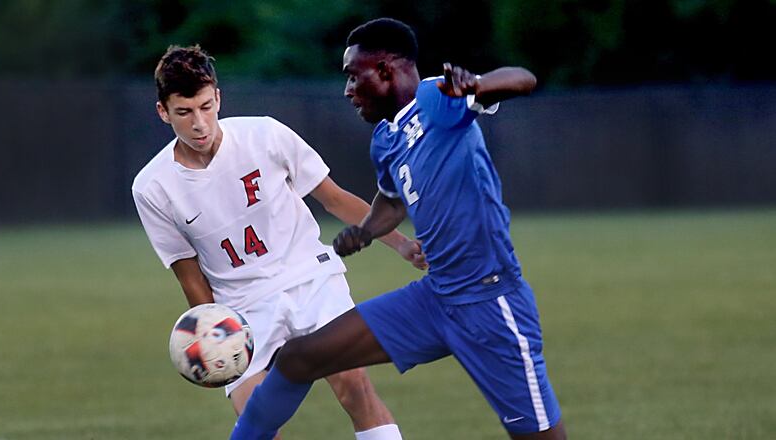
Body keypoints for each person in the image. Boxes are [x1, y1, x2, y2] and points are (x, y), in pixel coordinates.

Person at [231, 18, 567, 440]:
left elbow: (523, 80)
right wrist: (366, 231)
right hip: (434, 298)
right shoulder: (385, 139)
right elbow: (392, 201)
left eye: (353, 77)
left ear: (386, 71)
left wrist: (477, 84)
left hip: (490, 303)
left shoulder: (437, 97)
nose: (347, 91)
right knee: (299, 357)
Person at [132, 44, 428, 440]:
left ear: (218, 97)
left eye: (205, 106)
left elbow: (334, 198)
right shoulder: (152, 187)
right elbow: (189, 275)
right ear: (163, 112)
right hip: (241, 308)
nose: (199, 123)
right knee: (257, 425)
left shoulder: (265, 134)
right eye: (184, 112)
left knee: (355, 388)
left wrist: (401, 243)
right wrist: (211, 329)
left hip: (310, 278)